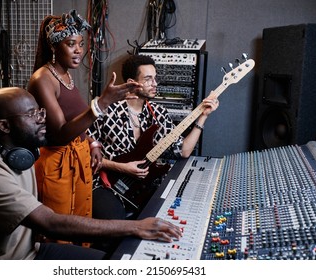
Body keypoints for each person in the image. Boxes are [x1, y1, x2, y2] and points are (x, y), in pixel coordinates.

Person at [0, 87, 182, 260]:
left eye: (41, 111)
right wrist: (137, 226)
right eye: (32, 115)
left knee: (111, 262)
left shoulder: (25, 150)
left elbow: (68, 133)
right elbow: (50, 223)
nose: (43, 119)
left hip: (32, 252)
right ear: (4, 126)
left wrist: (92, 142)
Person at [27, 9, 142, 243]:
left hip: (78, 160)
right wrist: (102, 103)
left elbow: (75, 120)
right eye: (71, 44)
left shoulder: (66, 77)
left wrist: (93, 142)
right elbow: (60, 133)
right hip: (57, 165)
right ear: (54, 47)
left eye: (81, 44)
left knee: (80, 227)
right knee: (59, 234)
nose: (79, 50)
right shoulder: (42, 79)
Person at [88, 54, 220, 221]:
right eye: (148, 79)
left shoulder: (159, 113)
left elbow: (184, 150)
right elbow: (85, 154)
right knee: (114, 222)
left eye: (155, 78)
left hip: (146, 186)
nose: (155, 84)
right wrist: (121, 167)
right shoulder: (106, 109)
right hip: (108, 185)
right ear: (131, 82)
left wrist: (203, 116)